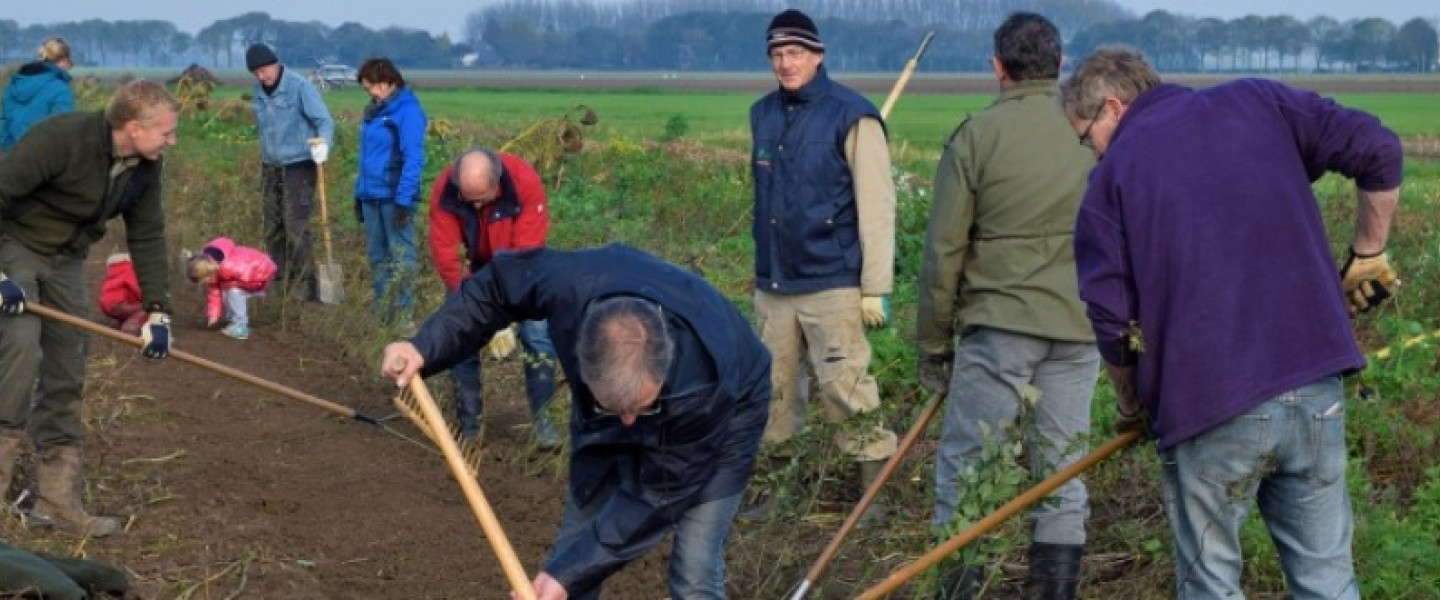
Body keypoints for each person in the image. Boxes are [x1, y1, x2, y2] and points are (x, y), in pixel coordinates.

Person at [1061, 46, 1401, 600]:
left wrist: (1131, 409)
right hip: (1316, 387)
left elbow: (1113, 323)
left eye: (1085, 136)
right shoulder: (1260, 101)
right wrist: (1369, 253)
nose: (1092, 152)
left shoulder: (1113, 179)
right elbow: (1379, 149)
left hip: (1208, 407)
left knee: (1209, 585)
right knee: (1327, 580)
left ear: (1113, 108)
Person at [380, 244, 771, 600]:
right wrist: (423, 346)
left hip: (731, 410)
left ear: (662, 368)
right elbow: (495, 288)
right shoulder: (568, 286)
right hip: (603, 414)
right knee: (576, 542)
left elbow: (656, 496)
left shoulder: (700, 387)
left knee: (694, 567)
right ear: (581, 361)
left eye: (639, 407)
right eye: (619, 409)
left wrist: (566, 574)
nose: (631, 422)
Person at [915, 13, 1100, 600]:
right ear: (1061, 64)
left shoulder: (976, 136)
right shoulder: (1090, 130)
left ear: (998, 68)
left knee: (967, 467)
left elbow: (942, 253)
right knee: (1062, 472)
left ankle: (958, 593)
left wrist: (934, 348)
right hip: (1079, 331)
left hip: (999, 330)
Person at [0, 79, 179, 537]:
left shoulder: (145, 164)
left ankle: (57, 501)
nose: (171, 141)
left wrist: (158, 311)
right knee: (20, 353)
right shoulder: (61, 138)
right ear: (134, 127)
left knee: (68, 364)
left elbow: (147, 234)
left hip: (67, 260)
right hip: (15, 247)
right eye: (166, 131)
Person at [742, 8, 898, 522]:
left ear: (818, 56)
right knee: (774, 392)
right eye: (777, 55)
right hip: (775, 283)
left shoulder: (853, 115)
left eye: (795, 54)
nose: (785, 64)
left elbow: (876, 206)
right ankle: (774, 490)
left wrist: (875, 286)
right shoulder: (762, 114)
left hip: (832, 281)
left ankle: (871, 497)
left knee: (845, 388)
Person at [427, 148, 560, 447]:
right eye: (468, 198)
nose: (474, 204)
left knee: (538, 335)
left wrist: (504, 310)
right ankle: (471, 425)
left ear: (497, 183)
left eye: (481, 198)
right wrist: (480, 308)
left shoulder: (524, 181)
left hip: (519, 267)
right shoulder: (446, 188)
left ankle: (543, 423)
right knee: (461, 335)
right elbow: (447, 254)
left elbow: (525, 253)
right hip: (471, 268)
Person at [246, 43, 334, 302]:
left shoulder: (299, 87)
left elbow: (323, 121)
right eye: (257, 73)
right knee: (272, 225)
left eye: (264, 70)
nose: (262, 76)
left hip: (299, 164)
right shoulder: (259, 92)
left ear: (275, 63)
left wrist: (323, 145)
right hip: (270, 165)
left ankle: (307, 287)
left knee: (295, 224)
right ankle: (278, 282)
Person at [355, 57, 427, 328]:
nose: (370, 93)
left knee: (401, 258)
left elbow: (414, 158)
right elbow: (366, 156)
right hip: (370, 194)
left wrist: (404, 201)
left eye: (372, 87)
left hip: (394, 195)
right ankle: (383, 314)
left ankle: (405, 318)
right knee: (377, 257)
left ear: (387, 83)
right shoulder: (373, 111)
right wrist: (358, 194)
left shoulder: (407, 112)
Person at [185, 237, 278, 341]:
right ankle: (232, 319)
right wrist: (213, 315)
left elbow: (247, 277)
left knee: (233, 291)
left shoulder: (228, 267)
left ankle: (240, 326)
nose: (205, 284)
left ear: (207, 274)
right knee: (226, 289)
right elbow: (214, 294)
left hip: (262, 276)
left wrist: (237, 285)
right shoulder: (215, 267)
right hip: (251, 275)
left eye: (204, 281)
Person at [1, 37, 75, 152]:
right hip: (41, 156)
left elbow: (4, 122)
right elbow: (62, 128)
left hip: (11, 154)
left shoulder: (13, 84)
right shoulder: (60, 89)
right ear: (64, 60)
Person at [98, 251, 148, 336]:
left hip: (106, 305)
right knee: (146, 308)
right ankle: (130, 329)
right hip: (119, 304)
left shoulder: (112, 272)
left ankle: (120, 326)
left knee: (125, 311)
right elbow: (135, 286)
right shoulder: (128, 269)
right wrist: (145, 298)